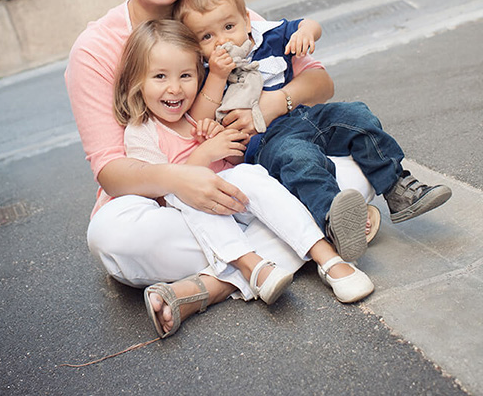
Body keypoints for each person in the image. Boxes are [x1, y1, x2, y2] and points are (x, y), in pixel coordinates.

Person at [112, 19, 374, 337]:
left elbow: (239, 160)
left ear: (199, 74)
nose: (174, 88)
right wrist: (204, 154)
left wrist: (223, 141)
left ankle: (328, 259)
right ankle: (255, 266)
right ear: (136, 82)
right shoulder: (142, 132)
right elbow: (162, 192)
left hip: (241, 205)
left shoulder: (200, 112)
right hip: (198, 220)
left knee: (251, 173)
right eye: (159, 77)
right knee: (192, 197)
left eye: (186, 76)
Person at [176, 0, 452, 262]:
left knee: (356, 115)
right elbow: (199, 115)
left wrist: (307, 33)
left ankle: (397, 188)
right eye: (207, 37)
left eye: (229, 27)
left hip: (304, 114)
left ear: (247, 21)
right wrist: (218, 76)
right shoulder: (206, 71)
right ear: (196, 46)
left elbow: (308, 24)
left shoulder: (268, 36)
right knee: (301, 159)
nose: (222, 40)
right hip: (269, 141)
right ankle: (335, 220)